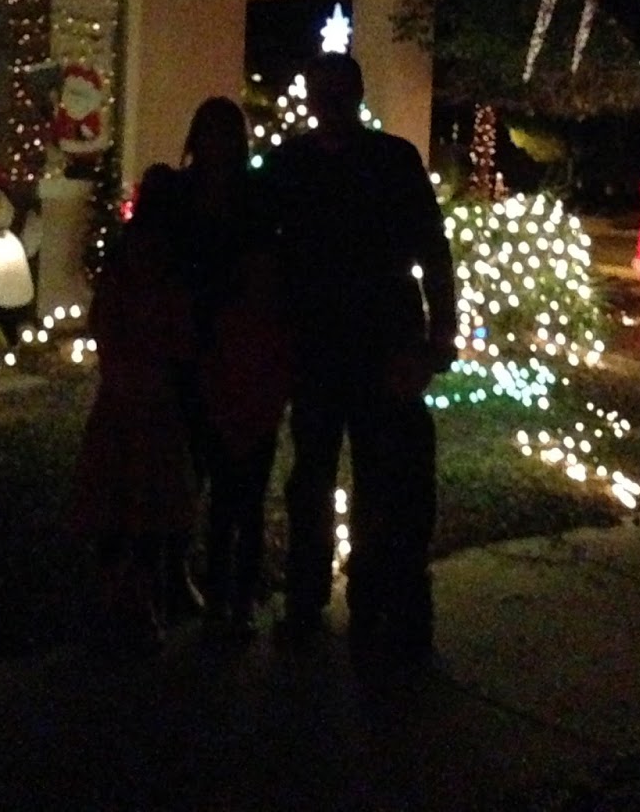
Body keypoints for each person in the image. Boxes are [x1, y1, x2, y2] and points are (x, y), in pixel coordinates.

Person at [263, 53, 457, 663]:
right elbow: (268, 251)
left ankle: (377, 599)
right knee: (312, 476)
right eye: (322, 93)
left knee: (386, 479)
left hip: (385, 346)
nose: (330, 104)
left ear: (356, 95)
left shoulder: (392, 161)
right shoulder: (291, 165)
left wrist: (439, 336)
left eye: (340, 93)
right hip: (318, 347)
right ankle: (307, 593)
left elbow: (433, 249)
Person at [69, 164, 199, 656]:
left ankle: (122, 599)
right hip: (146, 401)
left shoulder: (131, 261)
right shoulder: (162, 268)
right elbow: (176, 337)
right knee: (143, 502)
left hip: (126, 399)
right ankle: (132, 602)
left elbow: (105, 324)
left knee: (121, 501)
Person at [173, 97, 286, 636]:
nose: (217, 144)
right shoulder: (181, 193)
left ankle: (236, 597)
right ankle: (188, 579)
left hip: (242, 354)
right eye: (209, 132)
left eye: (226, 134)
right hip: (192, 349)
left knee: (241, 492)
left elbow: (266, 270)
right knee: (190, 472)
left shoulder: (255, 198)